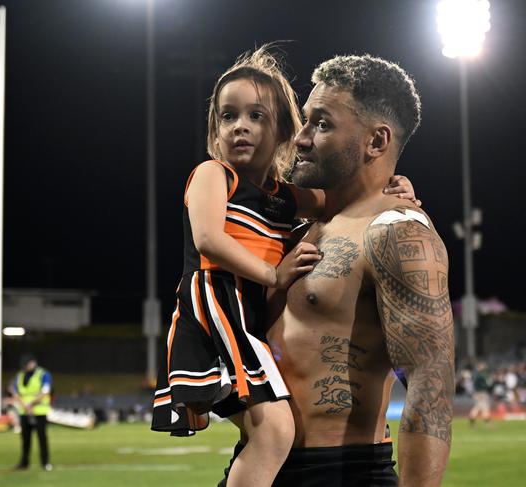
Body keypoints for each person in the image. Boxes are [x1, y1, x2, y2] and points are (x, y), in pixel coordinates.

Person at [151, 47, 418, 487]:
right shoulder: (213, 175)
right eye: (228, 116)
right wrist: (274, 274)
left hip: (248, 314)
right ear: (215, 131)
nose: (240, 125)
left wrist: (394, 185)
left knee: (271, 431)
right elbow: (207, 240)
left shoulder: (283, 195)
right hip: (217, 304)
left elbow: (346, 198)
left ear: (283, 134)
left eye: (257, 116)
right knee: (275, 431)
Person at [219, 54, 454, 487]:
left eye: (322, 124)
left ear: (376, 142)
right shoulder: (303, 229)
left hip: (340, 472)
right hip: (258, 463)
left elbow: (430, 380)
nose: (301, 139)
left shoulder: (399, 233)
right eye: (305, 122)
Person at [11, 353, 53, 471]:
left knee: (42, 437)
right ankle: (24, 463)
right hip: (24, 411)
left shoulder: (43, 374)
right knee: (25, 438)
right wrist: (24, 405)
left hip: (39, 411)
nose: (25, 367)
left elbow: (45, 391)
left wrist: (31, 404)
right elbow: (15, 392)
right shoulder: (20, 376)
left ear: (33, 363)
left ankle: (45, 463)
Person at [468, 361, 492, 426]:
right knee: (484, 407)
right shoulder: (481, 375)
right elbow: (486, 384)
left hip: (476, 392)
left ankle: (472, 421)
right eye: (483, 366)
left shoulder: (475, 374)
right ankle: (488, 423)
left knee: (477, 407)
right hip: (481, 393)